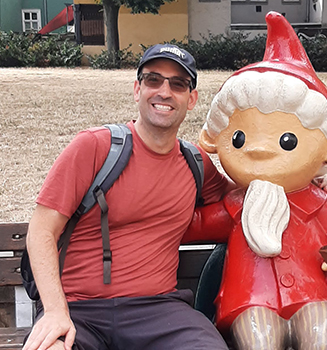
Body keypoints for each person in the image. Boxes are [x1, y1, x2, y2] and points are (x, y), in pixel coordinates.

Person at [182, 12, 327, 350]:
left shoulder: (316, 202)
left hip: (314, 297)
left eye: (286, 141)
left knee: (325, 326)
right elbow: (195, 224)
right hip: (251, 301)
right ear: (214, 140)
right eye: (240, 139)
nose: (260, 150)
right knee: (258, 336)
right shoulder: (237, 206)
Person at [22, 44, 232, 350]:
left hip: (159, 311)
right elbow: (41, 231)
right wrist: (54, 311)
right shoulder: (95, 148)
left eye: (178, 84)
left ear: (192, 99)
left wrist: (306, 182)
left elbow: (241, 195)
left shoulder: (195, 163)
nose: (164, 91)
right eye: (153, 80)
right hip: (79, 310)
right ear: (137, 90)